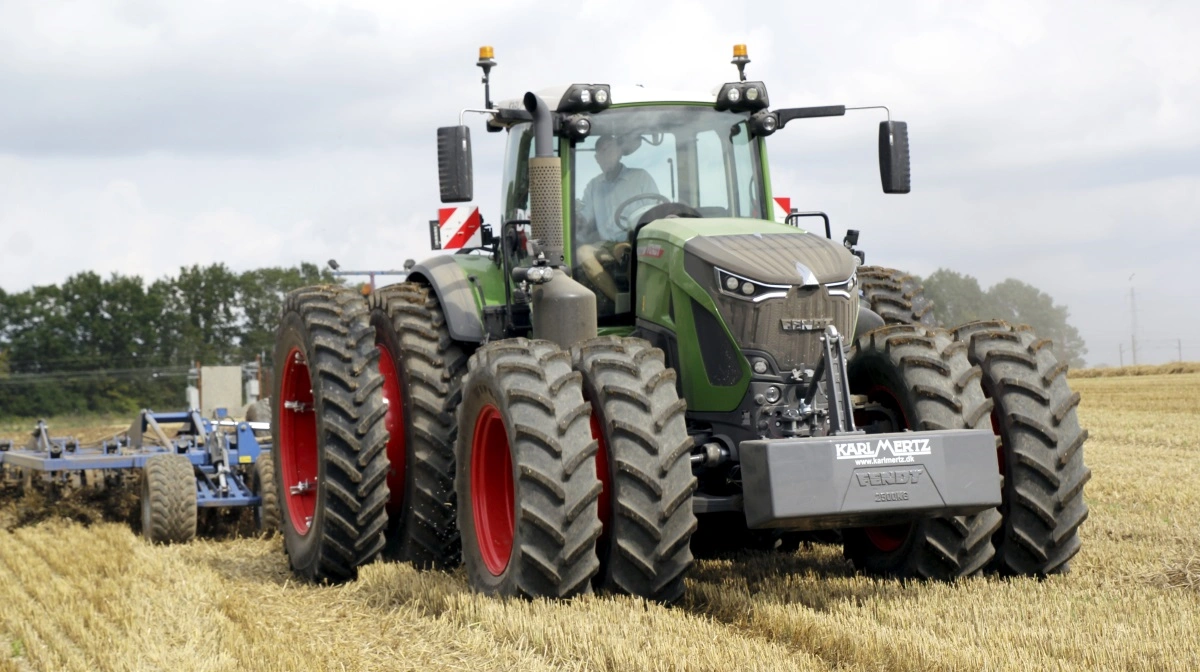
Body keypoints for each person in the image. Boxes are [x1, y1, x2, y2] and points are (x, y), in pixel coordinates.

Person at [577, 134, 661, 243]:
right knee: (582, 253)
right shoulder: (593, 186)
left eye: (612, 150)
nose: (608, 155)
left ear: (619, 154)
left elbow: (655, 214)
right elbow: (584, 218)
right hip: (606, 248)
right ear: (597, 159)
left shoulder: (641, 177)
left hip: (638, 243)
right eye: (604, 151)